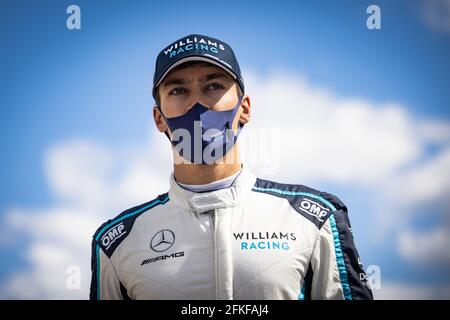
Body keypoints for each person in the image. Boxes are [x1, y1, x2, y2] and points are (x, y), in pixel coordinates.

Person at [89, 34, 373, 300]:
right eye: (178, 90)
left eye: (213, 86)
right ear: (159, 118)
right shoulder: (116, 243)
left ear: (245, 108)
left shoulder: (315, 219)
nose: (197, 104)